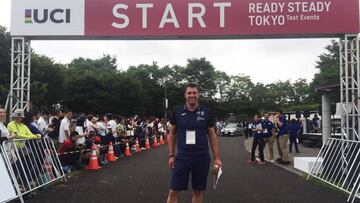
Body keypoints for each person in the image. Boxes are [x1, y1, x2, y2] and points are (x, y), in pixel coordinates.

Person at [167, 83, 222, 203]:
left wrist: (217, 158)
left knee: (198, 191)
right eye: (189, 93)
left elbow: (212, 135)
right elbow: (172, 133)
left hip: (202, 157)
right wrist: (171, 155)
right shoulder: (177, 111)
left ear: (199, 95)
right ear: (185, 95)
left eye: (194, 93)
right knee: (173, 191)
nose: (192, 95)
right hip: (182, 157)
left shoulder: (206, 112)